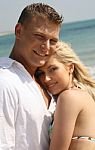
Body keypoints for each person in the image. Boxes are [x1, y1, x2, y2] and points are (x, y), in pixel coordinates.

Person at [0, 3, 63, 150]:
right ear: (18, 31)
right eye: (39, 36)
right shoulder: (4, 81)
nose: (46, 47)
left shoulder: (47, 81)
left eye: (53, 41)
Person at [36, 41, 95, 150]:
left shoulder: (69, 97)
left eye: (53, 69)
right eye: (40, 73)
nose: (46, 79)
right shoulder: (82, 95)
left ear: (70, 67)